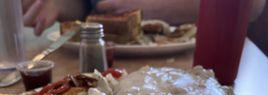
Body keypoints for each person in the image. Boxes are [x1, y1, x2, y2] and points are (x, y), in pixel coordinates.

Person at [23, 0, 266, 36]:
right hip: (103, 60)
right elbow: (93, 5)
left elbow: (253, 4)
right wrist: (60, 4)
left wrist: (142, 8)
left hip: (201, 58)